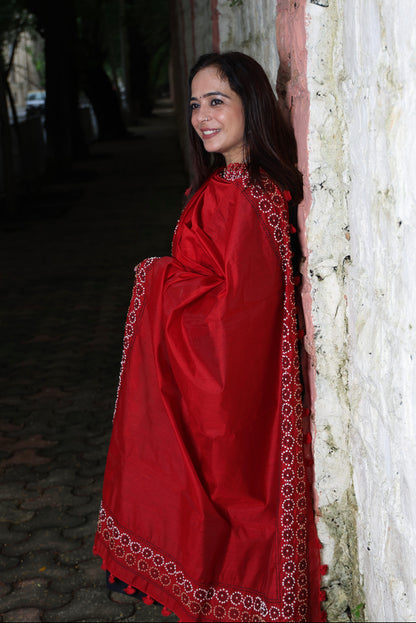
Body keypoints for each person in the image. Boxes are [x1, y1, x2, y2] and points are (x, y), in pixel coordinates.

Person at [93, 51, 325, 623]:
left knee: (211, 495)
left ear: (253, 105)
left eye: (216, 102)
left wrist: (155, 279)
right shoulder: (243, 187)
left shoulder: (238, 197)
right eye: (195, 105)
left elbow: (231, 316)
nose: (201, 116)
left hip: (233, 385)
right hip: (245, 382)